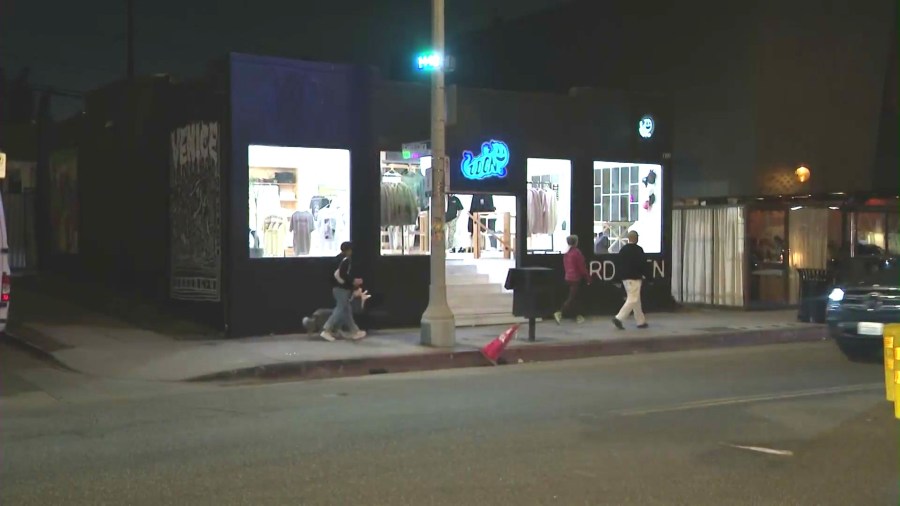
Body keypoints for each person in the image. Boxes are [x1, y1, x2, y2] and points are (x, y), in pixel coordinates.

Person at [321, 241, 366, 341]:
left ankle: (355, 331)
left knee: (346, 310)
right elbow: (343, 274)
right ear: (349, 250)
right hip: (342, 289)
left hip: (336, 288)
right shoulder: (346, 260)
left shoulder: (337, 259)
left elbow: (334, 274)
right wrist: (353, 281)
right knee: (341, 308)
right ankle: (327, 329)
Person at [613, 231, 648, 330]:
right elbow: (643, 265)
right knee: (633, 299)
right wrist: (649, 277)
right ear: (636, 238)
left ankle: (640, 321)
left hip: (625, 278)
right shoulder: (638, 250)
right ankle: (619, 318)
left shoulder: (623, 250)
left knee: (636, 300)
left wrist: (617, 279)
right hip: (635, 278)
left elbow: (618, 265)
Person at [554, 235, 591, 324]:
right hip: (576, 278)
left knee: (574, 297)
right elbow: (581, 267)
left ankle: (578, 316)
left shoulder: (567, 253)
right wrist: (588, 277)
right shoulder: (577, 253)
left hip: (568, 277)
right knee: (572, 297)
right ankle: (560, 313)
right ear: (576, 242)